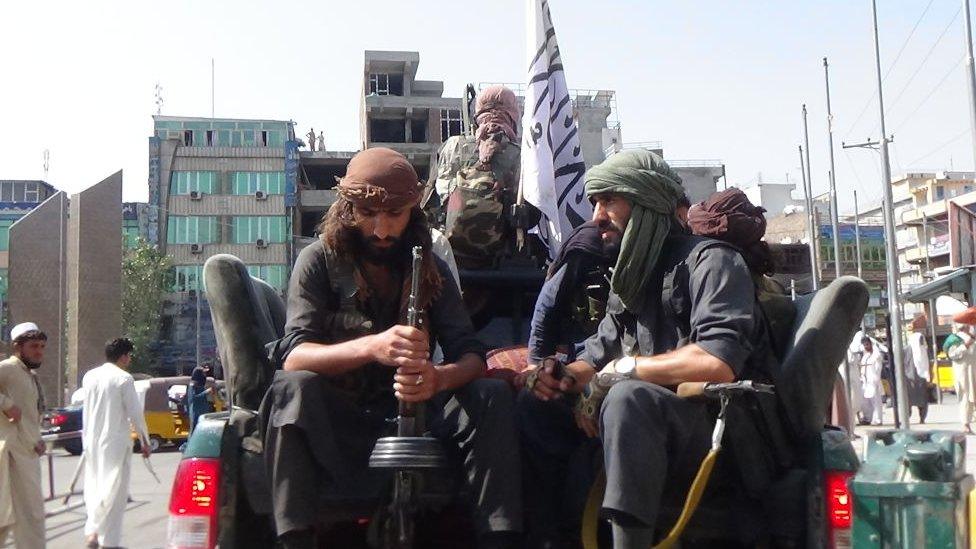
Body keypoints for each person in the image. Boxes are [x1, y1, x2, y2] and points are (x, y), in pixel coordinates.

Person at [260, 147, 522, 549]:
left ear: (411, 214)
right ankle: (294, 540)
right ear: (347, 209)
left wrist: (437, 379)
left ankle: (499, 537)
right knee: (291, 390)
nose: (381, 230)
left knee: (491, 394)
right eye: (368, 214)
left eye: (394, 216)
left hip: (418, 415)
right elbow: (295, 355)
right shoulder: (317, 261)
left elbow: (471, 355)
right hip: (344, 421)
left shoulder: (430, 267)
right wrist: (373, 347)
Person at [523, 150, 779, 548]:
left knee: (628, 398)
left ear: (646, 204)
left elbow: (717, 361)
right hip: (650, 431)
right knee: (535, 407)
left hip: (719, 434)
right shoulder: (633, 278)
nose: (596, 217)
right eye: (595, 203)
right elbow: (598, 354)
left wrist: (621, 372)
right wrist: (562, 377)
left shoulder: (711, 262)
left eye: (608, 201)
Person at [517, 219, 617, 548]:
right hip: (582, 377)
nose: (600, 216)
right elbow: (543, 327)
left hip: (641, 385)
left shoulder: (668, 257)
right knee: (535, 405)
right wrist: (541, 375)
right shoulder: (584, 255)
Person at [82, 337, 151, 549]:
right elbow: (135, 413)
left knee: (94, 487)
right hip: (115, 441)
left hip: (91, 440)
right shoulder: (124, 379)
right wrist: (144, 441)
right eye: (129, 355)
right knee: (114, 491)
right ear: (123, 356)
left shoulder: (90, 376)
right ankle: (109, 542)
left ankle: (92, 534)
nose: (129, 360)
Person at [0, 322, 47, 549]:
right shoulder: (8, 368)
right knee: (25, 515)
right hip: (10, 454)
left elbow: (29, 417)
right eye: (33, 346)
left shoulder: (28, 374)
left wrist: (37, 440)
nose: (39, 351)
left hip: (26, 452)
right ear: (18, 347)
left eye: (41, 346)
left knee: (19, 516)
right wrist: (6, 404)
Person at [947, 306, 976, 432]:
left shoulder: (973, 337)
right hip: (963, 371)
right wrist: (965, 346)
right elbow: (952, 354)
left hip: (974, 369)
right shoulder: (954, 339)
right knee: (965, 396)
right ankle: (966, 423)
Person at [903, 314, 930, 423]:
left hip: (921, 378)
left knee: (922, 400)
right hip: (909, 379)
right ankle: (907, 418)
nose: (921, 343)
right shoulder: (906, 350)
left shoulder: (923, 351)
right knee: (908, 400)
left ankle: (922, 418)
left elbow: (926, 363)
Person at [859, 337, 884, 426]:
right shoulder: (865, 356)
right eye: (864, 345)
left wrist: (875, 380)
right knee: (865, 401)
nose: (866, 346)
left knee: (876, 402)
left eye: (867, 344)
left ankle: (878, 420)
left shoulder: (876, 355)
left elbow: (878, 369)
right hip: (865, 382)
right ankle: (867, 418)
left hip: (873, 381)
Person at [184, 366, 215, 433]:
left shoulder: (200, 384)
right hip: (196, 412)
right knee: (195, 431)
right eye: (203, 373)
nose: (205, 375)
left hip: (203, 411)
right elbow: (194, 398)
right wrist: (206, 392)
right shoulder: (193, 385)